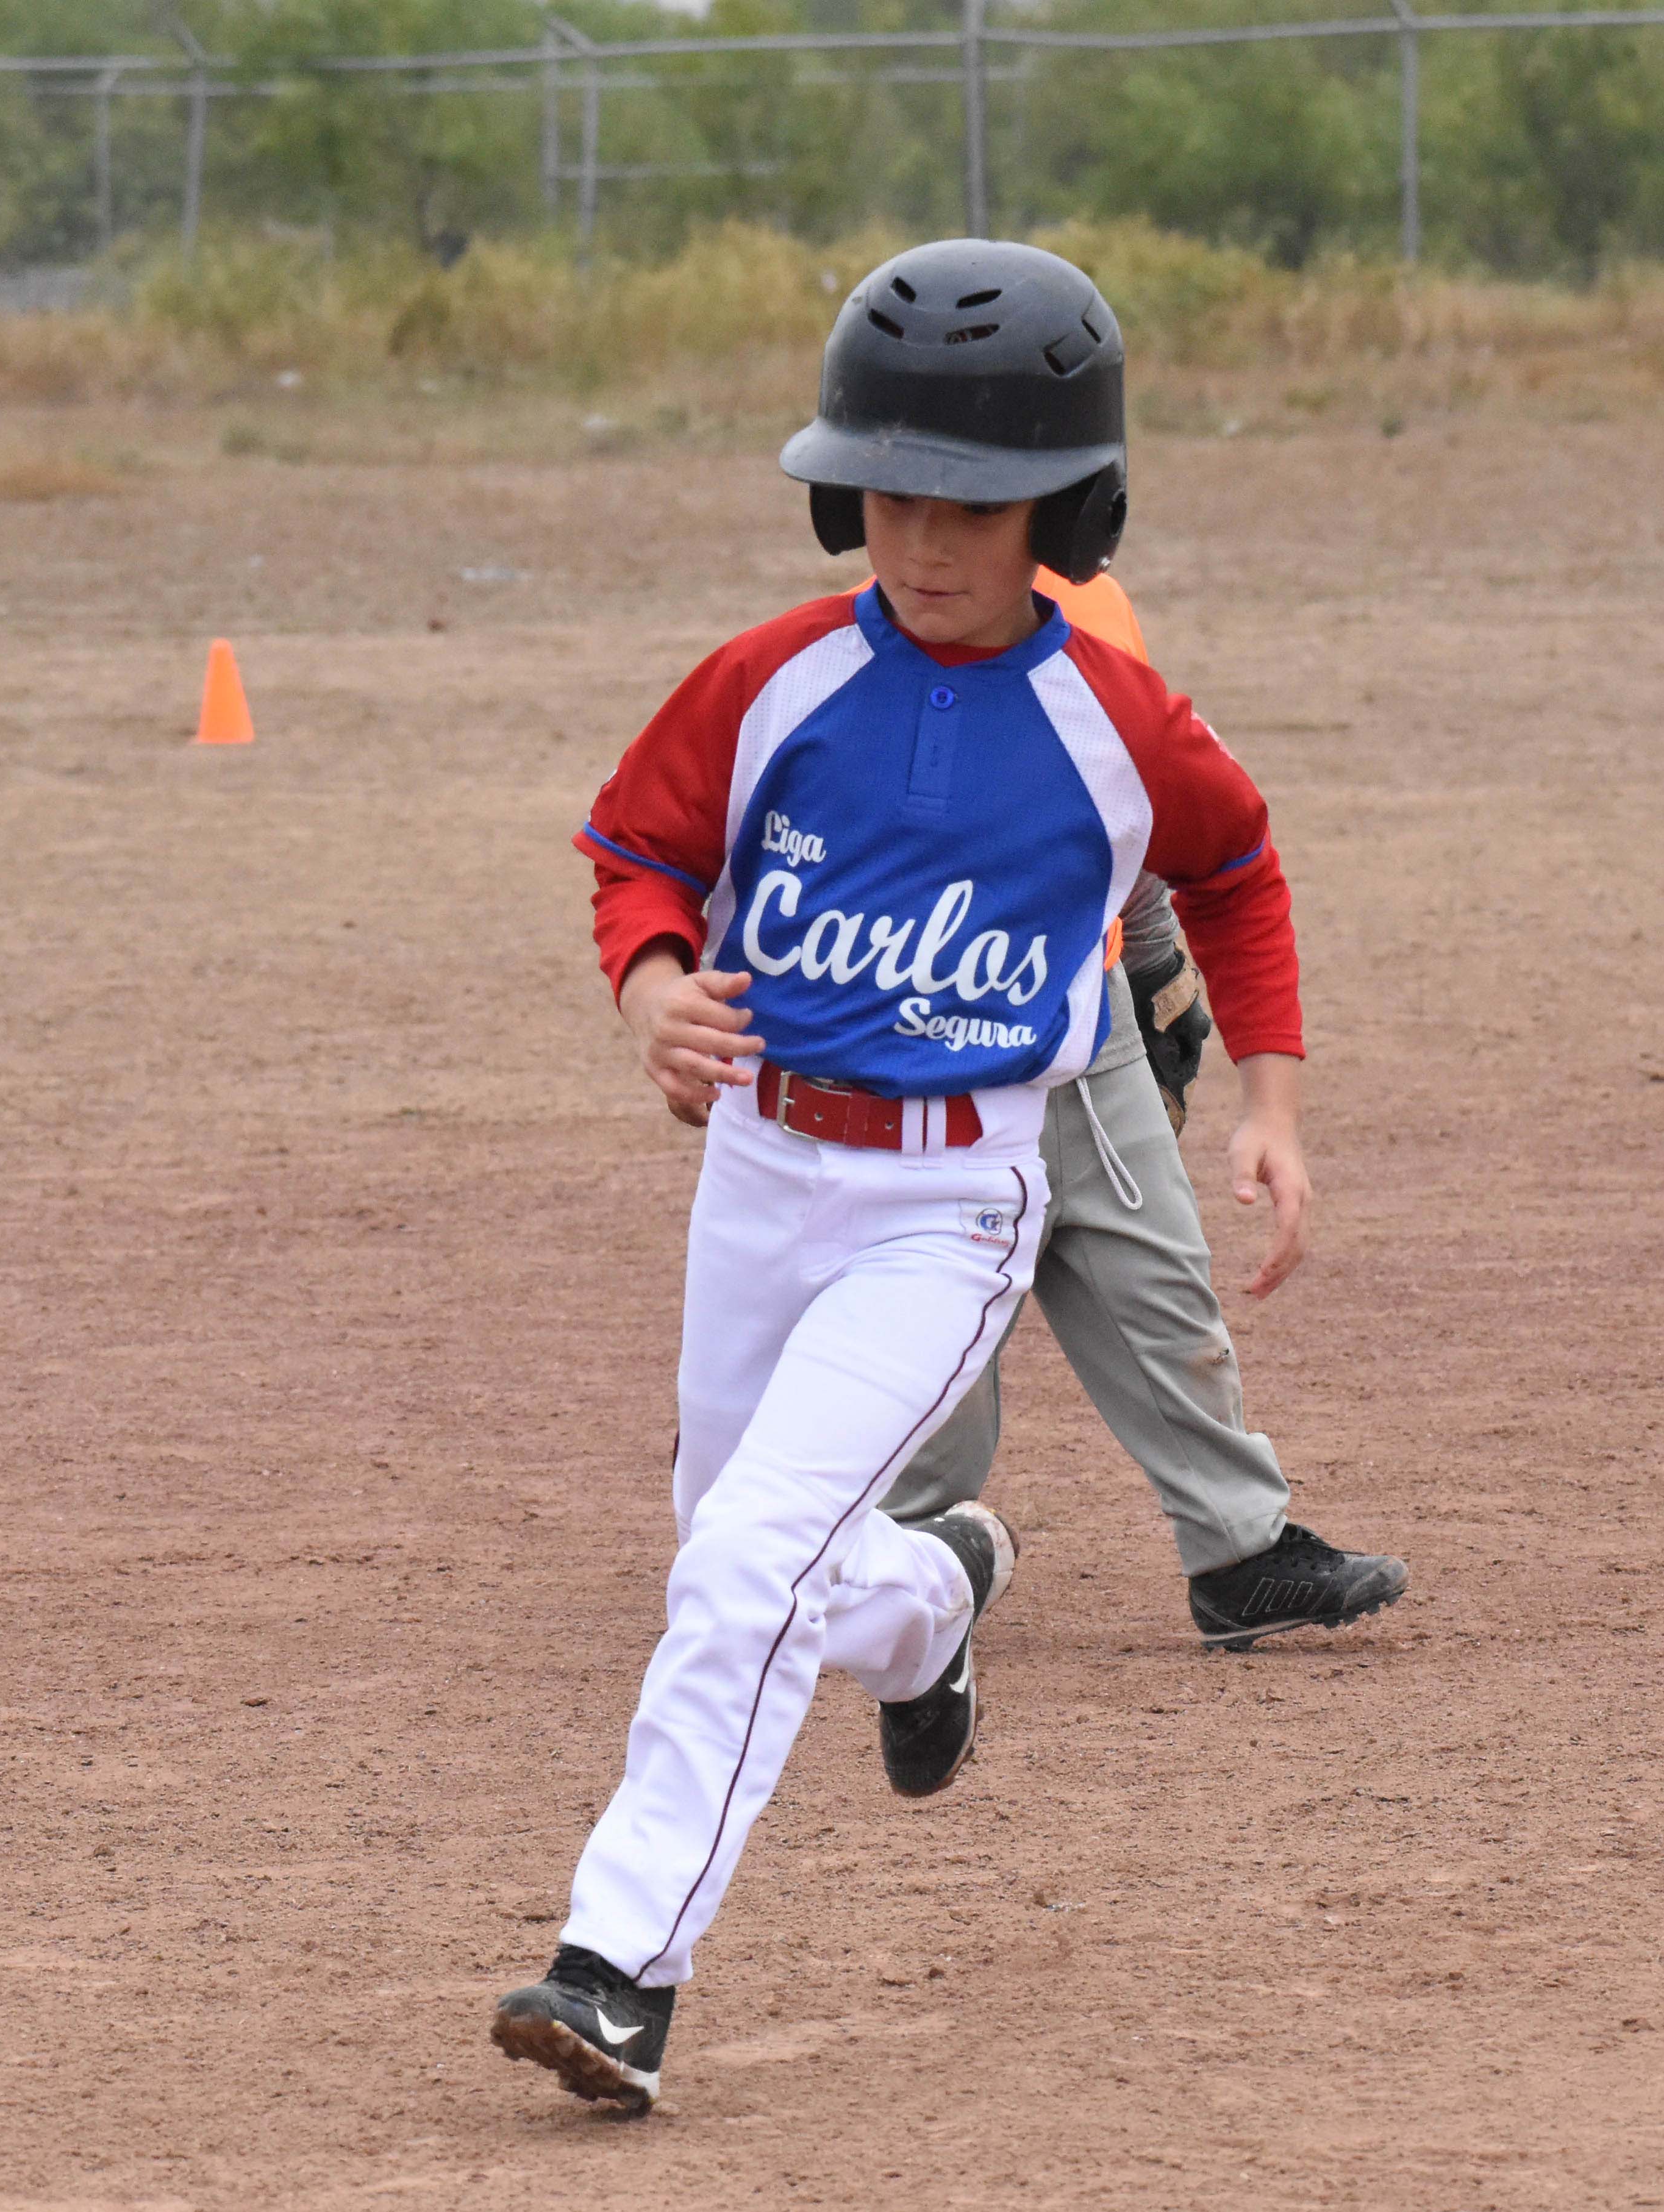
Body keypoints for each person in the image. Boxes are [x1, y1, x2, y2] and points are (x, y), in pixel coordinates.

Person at [493, 238, 1315, 2113]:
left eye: (971, 498)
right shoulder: (774, 678)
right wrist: (648, 988)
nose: (921, 537)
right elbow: (635, 841)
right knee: (744, 1556)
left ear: (1068, 510)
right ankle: (934, 1608)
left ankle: (615, 1964)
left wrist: (1267, 1097)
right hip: (762, 1172)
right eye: (883, 490)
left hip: (949, 1204)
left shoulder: (1116, 720)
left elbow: (1236, 862)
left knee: (737, 1582)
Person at [880, 563, 1408, 1652]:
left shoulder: (1092, 599)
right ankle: (895, 1557)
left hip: (1091, 1011)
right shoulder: (907, 612)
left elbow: (1144, 802)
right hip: (935, 1041)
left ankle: (1239, 1552)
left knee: (1159, 1284)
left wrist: (1164, 964)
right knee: (943, 1349)